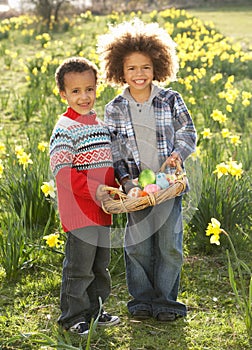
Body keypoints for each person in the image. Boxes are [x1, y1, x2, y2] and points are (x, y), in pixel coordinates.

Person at [97, 19, 197, 321]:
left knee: (169, 246)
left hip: (167, 185)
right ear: (119, 71)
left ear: (158, 67)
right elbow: (114, 151)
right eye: (131, 68)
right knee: (138, 247)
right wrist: (127, 184)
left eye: (145, 68)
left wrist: (177, 156)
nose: (139, 74)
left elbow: (188, 132)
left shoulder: (170, 99)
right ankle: (140, 300)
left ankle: (167, 302)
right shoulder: (114, 108)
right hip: (136, 190)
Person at [49, 57, 120, 336]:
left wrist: (117, 188)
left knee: (100, 266)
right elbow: (62, 172)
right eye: (76, 91)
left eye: (89, 89)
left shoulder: (99, 126)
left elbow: (105, 169)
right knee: (79, 267)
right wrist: (95, 191)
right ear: (63, 94)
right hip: (79, 211)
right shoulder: (65, 128)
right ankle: (72, 316)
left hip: (102, 210)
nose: (84, 96)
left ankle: (96, 310)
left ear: (96, 88)